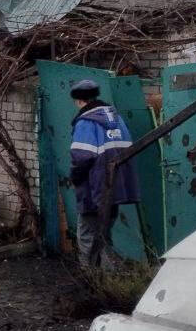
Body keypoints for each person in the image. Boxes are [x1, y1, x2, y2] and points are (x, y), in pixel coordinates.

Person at [68, 79, 140, 268]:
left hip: (94, 191)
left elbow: (82, 157)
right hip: (115, 189)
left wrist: (74, 177)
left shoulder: (86, 123)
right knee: (104, 234)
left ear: (78, 100)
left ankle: (90, 279)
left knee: (86, 236)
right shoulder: (118, 120)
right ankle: (108, 278)